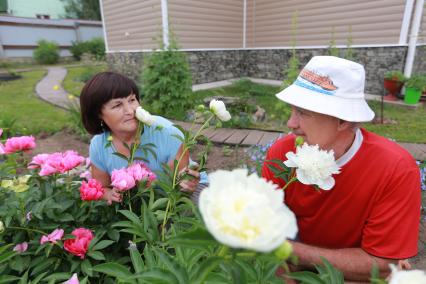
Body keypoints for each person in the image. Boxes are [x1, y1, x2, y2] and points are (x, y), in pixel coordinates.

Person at [261, 56, 421, 282]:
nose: (290, 123)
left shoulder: (395, 169)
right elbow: (264, 230)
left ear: (343, 121)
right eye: (292, 111)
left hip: (355, 275)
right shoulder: (282, 155)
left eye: (303, 113)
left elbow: (382, 265)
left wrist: (292, 251)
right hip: (295, 266)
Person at [80, 71, 205, 204]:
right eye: (117, 105)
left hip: (179, 196)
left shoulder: (168, 133)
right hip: (138, 202)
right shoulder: (99, 145)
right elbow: (101, 187)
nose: (130, 111)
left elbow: (178, 187)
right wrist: (110, 194)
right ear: (98, 114)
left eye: (132, 100)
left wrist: (187, 183)